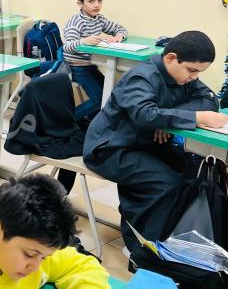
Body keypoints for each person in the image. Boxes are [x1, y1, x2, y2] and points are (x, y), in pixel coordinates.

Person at [83, 31, 226, 254]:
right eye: (192, 70)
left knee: (191, 171)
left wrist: (165, 116)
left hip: (144, 143)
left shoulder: (182, 76)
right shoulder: (142, 77)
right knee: (166, 184)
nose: (194, 77)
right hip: (111, 148)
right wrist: (192, 117)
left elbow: (209, 100)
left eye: (199, 72)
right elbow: (145, 115)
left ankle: (167, 234)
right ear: (171, 58)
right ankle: (139, 246)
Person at [62, 0, 128, 121]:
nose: (96, 5)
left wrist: (119, 36)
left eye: (100, 0)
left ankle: (90, 122)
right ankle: (66, 122)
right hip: (76, 68)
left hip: (91, 66)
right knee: (98, 99)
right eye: (91, 1)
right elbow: (67, 46)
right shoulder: (76, 22)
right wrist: (83, 41)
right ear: (80, 4)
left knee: (109, 94)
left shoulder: (99, 19)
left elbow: (120, 28)